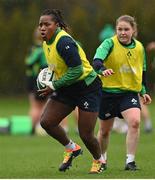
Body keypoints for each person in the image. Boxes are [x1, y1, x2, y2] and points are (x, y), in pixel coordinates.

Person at [38, 9, 104, 173]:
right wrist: (49, 81)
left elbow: (77, 71)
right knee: (47, 122)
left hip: (87, 87)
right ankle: (72, 148)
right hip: (67, 88)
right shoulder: (46, 43)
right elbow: (57, 67)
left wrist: (54, 85)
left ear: (57, 25)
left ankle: (99, 160)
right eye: (40, 25)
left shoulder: (64, 42)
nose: (42, 28)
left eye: (47, 24)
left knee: (86, 134)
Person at [93, 15, 152, 171]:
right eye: (120, 29)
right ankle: (102, 160)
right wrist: (103, 70)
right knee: (105, 131)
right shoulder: (108, 43)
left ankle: (130, 161)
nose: (123, 32)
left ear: (133, 30)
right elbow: (96, 61)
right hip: (107, 93)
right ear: (116, 30)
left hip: (128, 93)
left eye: (126, 29)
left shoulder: (139, 48)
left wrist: (143, 91)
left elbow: (142, 71)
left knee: (134, 122)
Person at [25, 28, 48, 134]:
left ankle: (34, 128)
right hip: (40, 79)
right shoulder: (43, 49)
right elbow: (31, 62)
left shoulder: (33, 48)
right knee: (41, 106)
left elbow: (27, 61)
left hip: (30, 79)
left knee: (34, 105)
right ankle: (37, 128)